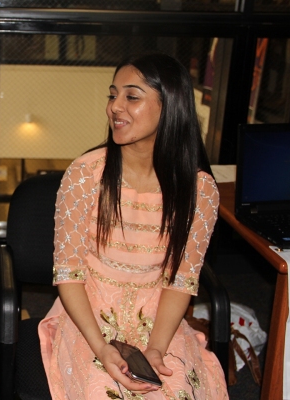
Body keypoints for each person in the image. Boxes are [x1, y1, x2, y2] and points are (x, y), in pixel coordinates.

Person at [38, 53, 227, 399]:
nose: (115, 107)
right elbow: (68, 275)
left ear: (169, 105)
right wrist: (100, 347)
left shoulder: (199, 190)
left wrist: (156, 348)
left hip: (160, 321)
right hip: (89, 317)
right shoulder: (85, 175)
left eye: (132, 96)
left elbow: (180, 280)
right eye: (113, 95)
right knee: (103, 390)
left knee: (175, 390)